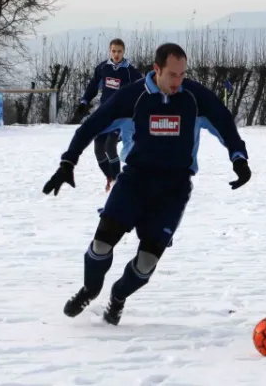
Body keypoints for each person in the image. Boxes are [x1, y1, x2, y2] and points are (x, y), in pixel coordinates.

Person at [42, 43, 252, 326]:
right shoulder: (133, 97)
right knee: (103, 244)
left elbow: (224, 123)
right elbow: (91, 126)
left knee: (146, 263)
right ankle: (90, 289)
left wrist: (239, 159)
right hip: (135, 181)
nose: (178, 82)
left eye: (182, 74)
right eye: (172, 75)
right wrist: (67, 163)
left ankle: (118, 296)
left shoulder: (194, 97)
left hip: (174, 188)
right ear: (157, 69)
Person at [70, 38, 144, 191]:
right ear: (109, 51)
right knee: (98, 148)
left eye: (119, 51)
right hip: (104, 113)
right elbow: (93, 86)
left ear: (124, 52)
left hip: (121, 116)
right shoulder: (103, 68)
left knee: (110, 146)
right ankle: (110, 177)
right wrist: (84, 102)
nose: (116, 54)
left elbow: (143, 90)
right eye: (114, 51)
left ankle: (118, 182)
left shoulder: (130, 71)